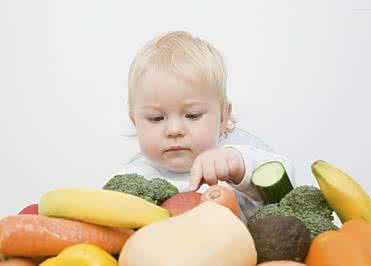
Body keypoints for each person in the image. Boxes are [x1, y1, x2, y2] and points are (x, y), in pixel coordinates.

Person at [118, 31, 294, 222]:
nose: (174, 130)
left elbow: (288, 183)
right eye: (156, 118)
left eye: (193, 115)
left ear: (223, 117)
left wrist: (239, 167)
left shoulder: (235, 154)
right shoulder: (134, 177)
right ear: (135, 122)